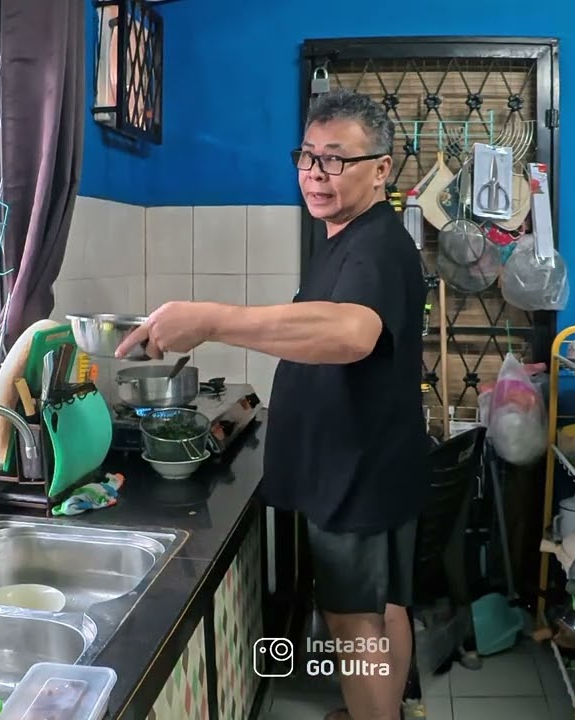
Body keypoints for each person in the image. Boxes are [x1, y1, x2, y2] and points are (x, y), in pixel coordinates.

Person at [115, 88, 429, 720]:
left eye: (336, 159)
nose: (316, 173)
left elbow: (349, 334)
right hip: (368, 462)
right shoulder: (347, 238)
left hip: (357, 471)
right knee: (382, 607)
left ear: (381, 168)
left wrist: (209, 319)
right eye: (308, 156)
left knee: (354, 624)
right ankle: (384, 712)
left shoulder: (376, 244)